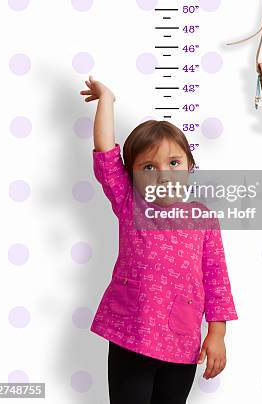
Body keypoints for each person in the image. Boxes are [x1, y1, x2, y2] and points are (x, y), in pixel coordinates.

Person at [80, 75, 238, 404]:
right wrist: (106, 100)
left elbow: (216, 278)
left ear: (191, 166)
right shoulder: (130, 203)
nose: (163, 174)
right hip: (131, 333)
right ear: (132, 175)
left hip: (182, 340)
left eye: (174, 162)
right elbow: (106, 154)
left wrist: (218, 333)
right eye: (149, 166)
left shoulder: (203, 218)